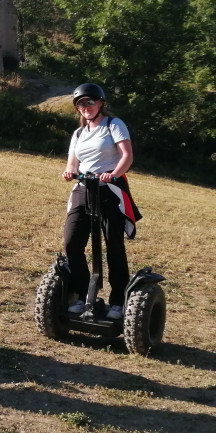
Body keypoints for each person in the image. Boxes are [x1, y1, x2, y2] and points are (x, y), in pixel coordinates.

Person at [62, 82, 136, 319]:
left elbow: (127, 155)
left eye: (90, 102)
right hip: (84, 189)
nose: (86, 107)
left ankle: (117, 301)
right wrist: (69, 171)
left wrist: (113, 173)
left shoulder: (114, 125)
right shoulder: (79, 133)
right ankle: (83, 296)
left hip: (109, 190)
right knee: (72, 242)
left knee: (113, 244)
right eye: (81, 104)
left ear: (100, 103)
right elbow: (73, 162)